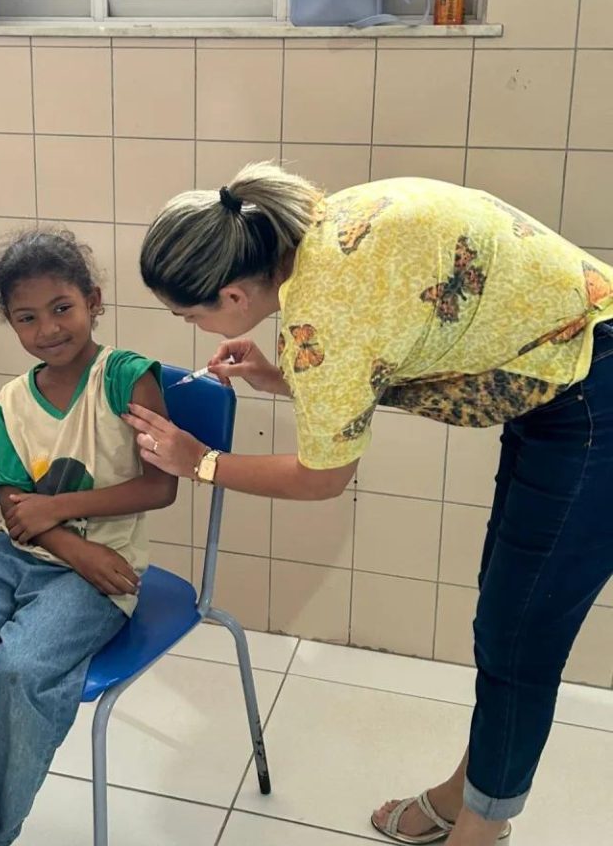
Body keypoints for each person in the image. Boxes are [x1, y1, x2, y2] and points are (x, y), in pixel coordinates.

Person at [123, 163, 613, 846]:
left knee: (520, 634)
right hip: (562, 372)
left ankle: (482, 828)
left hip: (589, 389)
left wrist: (198, 462)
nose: (194, 327)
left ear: (232, 295)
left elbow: (322, 478)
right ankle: (471, 796)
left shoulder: (323, 306)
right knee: (506, 614)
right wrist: (284, 375)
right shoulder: (321, 229)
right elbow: (372, 352)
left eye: (190, 315)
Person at [0, 228, 177, 846]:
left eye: (61, 308)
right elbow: (12, 500)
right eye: (27, 317)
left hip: (104, 572)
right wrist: (69, 540)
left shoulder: (126, 377)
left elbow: (161, 486)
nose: (48, 328)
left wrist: (58, 510)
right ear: (11, 323)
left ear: (93, 301)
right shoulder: (12, 400)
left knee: (18, 673)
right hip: (19, 556)